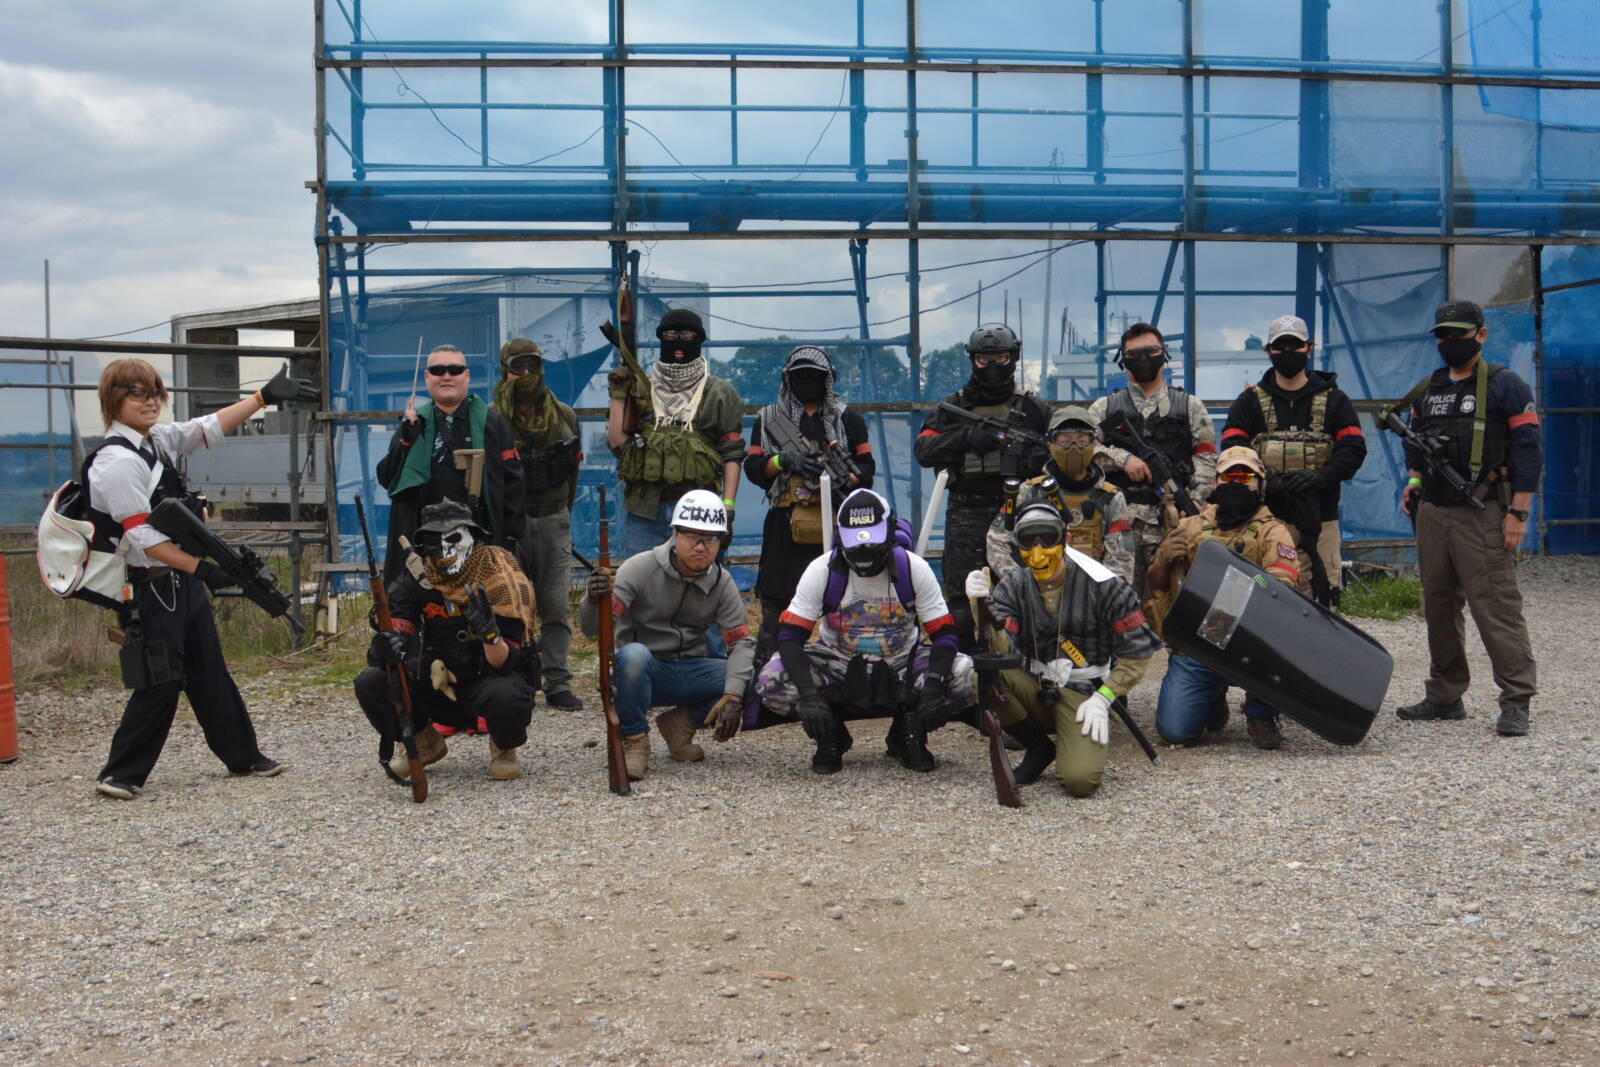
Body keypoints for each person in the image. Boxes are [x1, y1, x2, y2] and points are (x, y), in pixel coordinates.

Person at [88, 357, 315, 799]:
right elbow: (142, 538)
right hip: (150, 582)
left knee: (208, 668)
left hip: (180, 578)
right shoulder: (116, 462)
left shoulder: (155, 441)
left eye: (154, 393)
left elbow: (205, 427)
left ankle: (242, 755)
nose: (149, 402)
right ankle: (120, 772)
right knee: (160, 675)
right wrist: (204, 568)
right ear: (113, 400)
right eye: (136, 394)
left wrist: (262, 397)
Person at [750, 488, 976, 775]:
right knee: (771, 679)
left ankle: (907, 732)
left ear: (889, 533)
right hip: (838, 661)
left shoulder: (913, 568)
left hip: (902, 661)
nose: (864, 552)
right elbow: (790, 637)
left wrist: (934, 686)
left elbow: (944, 634)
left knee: (967, 673)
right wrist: (809, 695)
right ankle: (831, 735)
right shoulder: (821, 570)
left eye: (872, 543)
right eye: (856, 545)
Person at [1393, 300, 1541, 737]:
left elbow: (1528, 450)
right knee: (1438, 605)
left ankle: (1516, 700)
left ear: (1481, 335)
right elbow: (1414, 443)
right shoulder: (1429, 388)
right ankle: (1444, 695)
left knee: (1495, 604)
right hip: (1433, 512)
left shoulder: (1505, 384)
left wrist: (1518, 512)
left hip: (1484, 511)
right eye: (1443, 334)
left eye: (1458, 334)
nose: (1449, 341)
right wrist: (1414, 483)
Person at [967, 503, 1161, 796]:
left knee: (1080, 782)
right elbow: (1002, 649)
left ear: (1066, 539)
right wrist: (979, 607)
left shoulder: (1105, 585)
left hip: (1083, 691)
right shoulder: (1013, 585)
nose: (1038, 554)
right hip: (1034, 684)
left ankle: (1076, 738)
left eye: (1048, 540)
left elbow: (1138, 653)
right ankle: (1038, 747)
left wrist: (1105, 697)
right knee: (982, 678)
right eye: (1027, 542)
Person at [354, 501, 539, 780]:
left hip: (489, 677)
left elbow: (507, 660)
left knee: (507, 696)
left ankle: (504, 747)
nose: (444, 549)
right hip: (436, 678)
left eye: (453, 538)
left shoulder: (500, 576)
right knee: (372, 682)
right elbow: (398, 621)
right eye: (433, 540)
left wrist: (490, 635)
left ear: (473, 536)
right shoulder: (419, 576)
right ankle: (423, 743)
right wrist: (387, 645)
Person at [578, 490, 752, 780]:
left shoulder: (722, 582)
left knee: (750, 674)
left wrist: (734, 695)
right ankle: (635, 740)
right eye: (692, 537)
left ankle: (680, 725)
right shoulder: (638, 568)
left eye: (711, 539)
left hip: (690, 670)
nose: (701, 547)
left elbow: (741, 642)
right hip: (640, 672)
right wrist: (594, 600)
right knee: (634, 655)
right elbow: (592, 628)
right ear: (674, 534)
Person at [1148, 446, 1306, 750]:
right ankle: (1211, 697)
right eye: (1229, 477)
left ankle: (1260, 712)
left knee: (1280, 635)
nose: (1237, 483)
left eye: (1246, 477)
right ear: (1216, 483)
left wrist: (1243, 585)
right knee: (1175, 732)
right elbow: (1156, 585)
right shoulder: (1189, 527)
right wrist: (1163, 560)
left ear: (1260, 486)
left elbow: (1282, 588)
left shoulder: (1273, 532)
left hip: (1253, 639)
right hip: (1199, 643)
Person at [914, 323, 1052, 649]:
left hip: (1017, 514)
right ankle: (965, 670)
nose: (991, 365)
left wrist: (1033, 459)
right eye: (983, 358)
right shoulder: (953, 408)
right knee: (962, 605)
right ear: (973, 360)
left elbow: (1057, 459)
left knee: (1023, 595)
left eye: (1000, 357)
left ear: (1013, 357)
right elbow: (923, 450)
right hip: (965, 512)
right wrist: (965, 437)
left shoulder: (1035, 410)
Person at [744, 345, 875, 668]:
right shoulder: (768, 418)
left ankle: (847, 673)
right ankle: (767, 677)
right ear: (787, 380)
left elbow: (867, 469)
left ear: (828, 379)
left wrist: (846, 480)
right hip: (785, 525)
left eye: (814, 376)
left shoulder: (847, 419)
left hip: (836, 525)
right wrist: (785, 460)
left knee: (843, 605)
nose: (806, 382)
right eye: (799, 376)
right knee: (776, 610)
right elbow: (754, 468)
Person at [1221, 315, 1365, 606]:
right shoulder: (1249, 402)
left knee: (1323, 605)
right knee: (1263, 599)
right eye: (1280, 346)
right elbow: (1231, 454)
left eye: (1295, 345)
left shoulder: (1335, 400)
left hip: (1321, 520)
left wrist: (1321, 477)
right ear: (1268, 351)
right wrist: (1264, 481)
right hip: (1263, 521)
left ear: (1309, 348)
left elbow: (1353, 450)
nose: (1287, 351)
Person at [1090, 322, 1217, 599]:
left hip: (1172, 521)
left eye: (1151, 351)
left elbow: (1206, 458)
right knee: (1118, 601)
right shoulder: (1104, 408)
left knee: (1175, 600)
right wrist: (1122, 459)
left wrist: (1194, 501)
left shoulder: (1190, 407)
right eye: (1134, 354)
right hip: (1118, 524)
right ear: (1123, 361)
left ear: (1164, 354)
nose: (1144, 359)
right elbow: (1082, 448)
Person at [378, 344, 525, 583]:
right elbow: (387, 479)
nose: (446, 376)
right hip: (421, 543)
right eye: (438, 370)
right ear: (427, 377)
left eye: (454, 370)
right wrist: (405, 442)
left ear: (467, 376)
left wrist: (508, 539)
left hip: (480, 541)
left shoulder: (493, 424)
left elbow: (514, 484)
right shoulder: (413, 422)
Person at [492, 338, 585, 711]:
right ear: (505, 371)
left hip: (552, 520)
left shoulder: (564, 416)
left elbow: (572, 473)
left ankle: (557, 680)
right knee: (511, 607)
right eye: (518, 366)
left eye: (533, 365)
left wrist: (562, 516)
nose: (527, 373)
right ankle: (518, 679)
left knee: (555, 608)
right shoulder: (491, 418)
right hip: (508, 525)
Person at [607, 308, 745, 557]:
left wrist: (728, 507)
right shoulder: (642, 388)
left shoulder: (718, 392)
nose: (679, 342)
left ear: (699, 340)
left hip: (700, 512)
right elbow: (618, 444)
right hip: (645, 512)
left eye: (687, 336)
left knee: (699, 579)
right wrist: (618, 392)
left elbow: (732, 454)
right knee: (642, 578)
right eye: (670, 335)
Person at [985, 404, 1135, 586]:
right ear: (1050, 444)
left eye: (1082, 440)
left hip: (1093, 595)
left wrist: (1101, 596)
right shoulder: (1029, 492)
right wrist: (1023, 585)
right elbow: (996, 541)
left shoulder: (1110, 498)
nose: (1074, 448)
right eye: (1064, 440)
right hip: (1038, 592)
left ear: (1094, 444)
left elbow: (1122, 561)